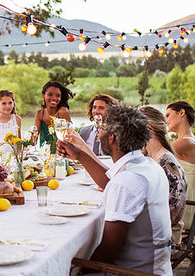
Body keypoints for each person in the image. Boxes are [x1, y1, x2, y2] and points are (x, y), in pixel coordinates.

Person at [57, 105, 172, 275]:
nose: (98, 132)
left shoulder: (126, 181)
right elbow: (110, 181)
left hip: (135, 272)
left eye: (102, 128)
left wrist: (77, 270)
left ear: (111, 137)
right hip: (159, 267)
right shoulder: (147, 165)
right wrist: (79, 155)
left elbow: (108, 252)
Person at [140, 106, 187, 245]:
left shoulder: (166, 162)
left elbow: (172, 212)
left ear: (148, 127)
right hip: (154, 229)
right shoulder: (150, 156)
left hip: (165, 237)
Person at [166, 101, 195, 231]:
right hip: (183, 200)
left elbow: (156, 156)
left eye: (168, 115)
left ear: (182, 113)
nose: (166, 120)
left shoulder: (186, 142)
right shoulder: (187, 140)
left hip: (186, 207)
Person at [34, 81, 73, 148]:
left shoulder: (63, 111)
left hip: (62, 153)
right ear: (43, 95)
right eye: (50, 94)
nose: (54, 98)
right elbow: (34, 140)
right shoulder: (40, 114)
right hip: (44, 153)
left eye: (58, 95)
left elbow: (68, 138)